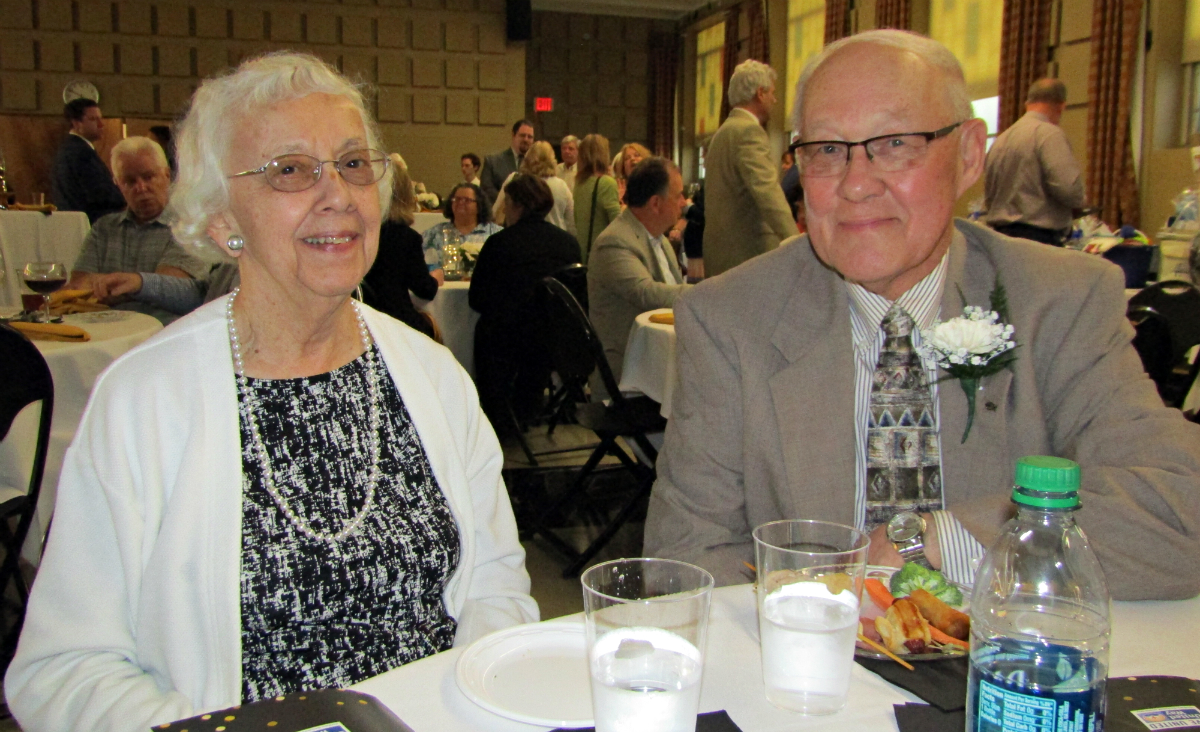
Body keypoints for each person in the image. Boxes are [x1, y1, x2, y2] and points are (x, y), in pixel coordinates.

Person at [5, 52, 538, 732]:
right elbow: (65, 667)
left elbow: (495, 585)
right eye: (290, 170)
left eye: (352, 163)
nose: (339, 193)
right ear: (223, 220)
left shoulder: (433, 377)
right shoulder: (144, 401)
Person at [641, 30, 1200, 602]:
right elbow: (684, 564)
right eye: (827, 150)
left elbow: (1180, 508)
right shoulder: (730, 319)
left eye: (895, 143)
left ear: (968, 156)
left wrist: (939, 543)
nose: (856, 184)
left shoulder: (1059, 302)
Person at [470, 174, 581, 432]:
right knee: (533, 341)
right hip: (553, 343)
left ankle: (497, 413)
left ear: (517, 205)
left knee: (486, 329)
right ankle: (525, 410)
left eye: (507, 202)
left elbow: (477, 299)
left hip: (507, 341)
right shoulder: (568, 244)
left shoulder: (500, 243)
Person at [66, 136, 208, 324]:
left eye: (148, 177)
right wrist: (134, 286)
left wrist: (131, 284)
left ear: (167, 175)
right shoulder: (104, 229)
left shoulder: (189, 225)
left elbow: (173, 288)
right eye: (130, 181)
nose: (141, 187)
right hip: (105, 332)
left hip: (162, 332)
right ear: (117, 183)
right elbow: (78, 287)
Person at [588, 157, 689, 387]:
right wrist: (706, 292)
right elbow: (647, 293)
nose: (683, 202)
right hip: (629, 375)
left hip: (660, 359)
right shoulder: (614, 241)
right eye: (678, 195)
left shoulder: (659, 239)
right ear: (655, 203)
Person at [702, 59, 797, 278]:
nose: (775, 99)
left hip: (722, 254)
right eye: (772, 93)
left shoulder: (722, 133)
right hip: (748, 256)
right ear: (760, 93)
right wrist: (794, 241)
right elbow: (767, 193)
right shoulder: (748, 132)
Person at [984, 78, 1086, 246]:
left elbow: (989, 197)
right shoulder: (1048, 134)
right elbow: (1069, 190)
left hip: (1000, 240)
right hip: (1038, 239)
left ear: (1027, 103)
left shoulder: (1000, 140)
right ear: (1061, 106)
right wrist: (1081, 200)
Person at [362, 153, 439, 340]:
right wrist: (435, 278)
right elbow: (424, 289)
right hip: (395, 323)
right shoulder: (406, 238)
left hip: (365, 320)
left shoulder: (363, 234)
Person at [51, 98, 126, 222]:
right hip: (91, 223)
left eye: (100, 118)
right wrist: (125, 194)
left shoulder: (68, 148)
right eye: (93, 119)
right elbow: (99, 193)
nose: (101, 124)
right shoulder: (81, 153)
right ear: (76, 123)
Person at [421, 182, 501, 285]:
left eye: (467, 200)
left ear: (479, 205)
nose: (460, 203)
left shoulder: (495, 234)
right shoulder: (434, 233)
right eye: (457, 199)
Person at [491, 141, 575, 234]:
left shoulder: (515, 179)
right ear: (552, 160)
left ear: (528, 157)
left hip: (520, 237)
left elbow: (495, 211)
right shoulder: (561, 186)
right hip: (554, 239)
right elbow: (571, 222)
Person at [573, 133, 621, 263]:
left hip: (583, 254)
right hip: (603, 256)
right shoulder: (606, 183)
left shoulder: (579, 183)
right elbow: (618, 224)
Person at [480, 119, 534, 203]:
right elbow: (486, 191)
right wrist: (510, 203)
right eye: (522, 135)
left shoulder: (536, 165)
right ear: (513, 135)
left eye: (530, 137)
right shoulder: (492, 162)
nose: (526, 139)